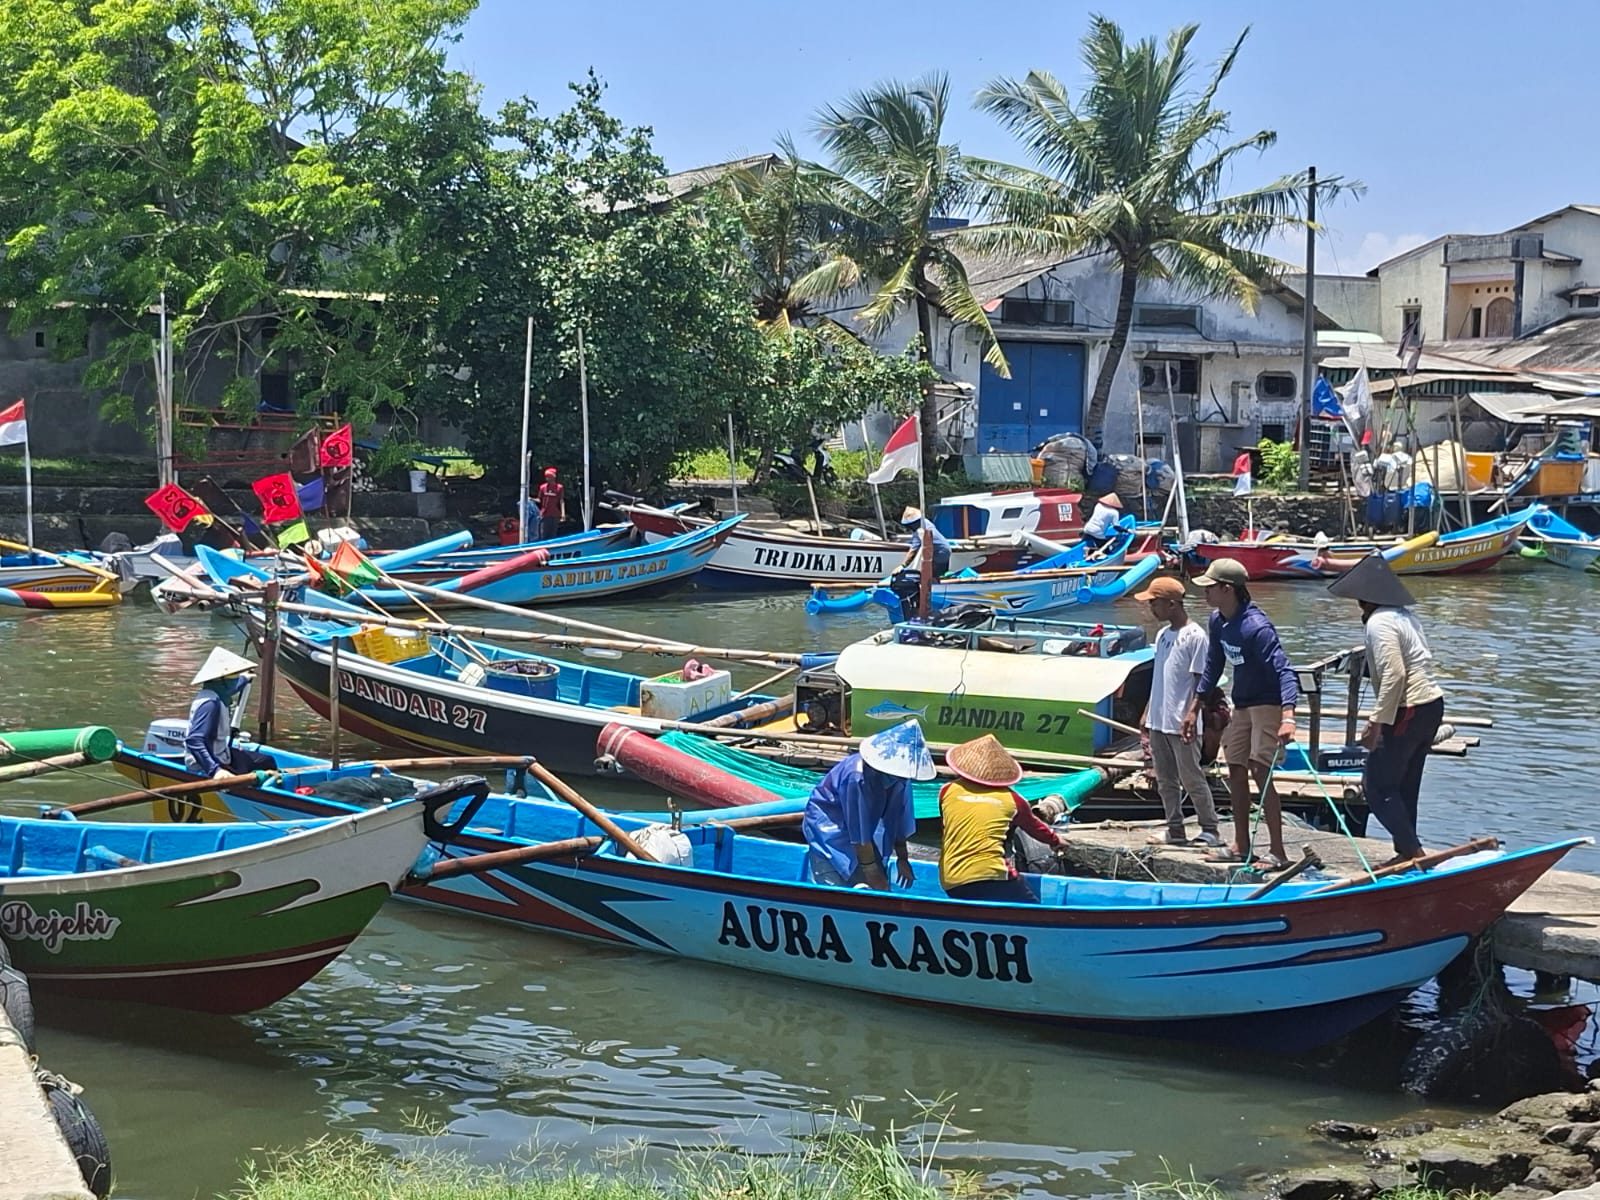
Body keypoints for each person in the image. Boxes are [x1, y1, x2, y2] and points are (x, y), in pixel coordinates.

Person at [1180, 558, 1298, 871]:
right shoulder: (1218, 621)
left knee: (1260, 769)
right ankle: (1241, 845)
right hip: (1242, 703)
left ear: (1227, 589)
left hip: (1268, 704)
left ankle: (1278, 853)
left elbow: (1285, 671)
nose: (1204, 593)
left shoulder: (1255, 627)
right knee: (1234, 767)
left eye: (1210, 587)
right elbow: (1212, 666)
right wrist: (1194, 710)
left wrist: (1288, 715)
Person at [1328, 553, 1445, 866]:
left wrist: (1377, 721)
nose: (1358, 609)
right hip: (1432, 704)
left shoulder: (1379, 623)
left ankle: (1415, 855)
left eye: (1359, 601)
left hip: (1408, 706)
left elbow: (1395, 674)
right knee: (1405, 785)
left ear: (1367, 599)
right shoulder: (1404, 615)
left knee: (1376, 786)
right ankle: (1406, 850)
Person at [1135, 576, 1222, 848]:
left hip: (1182, 721)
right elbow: (1160, 677)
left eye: (1155, 603)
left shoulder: (1196, 637)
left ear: (1172, 604)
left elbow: (1201, 682)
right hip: (1159, 720)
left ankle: (1210, 829)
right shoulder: (1162, 636)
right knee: (1165, 780)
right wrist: (1148, 713)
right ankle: (1175, 829)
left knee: (1191, 777)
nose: (1151, 608)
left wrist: (1192, 713)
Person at [801, 719, 932, 889]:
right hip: (829, 825)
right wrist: (872, 874)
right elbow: (858, 831)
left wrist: (902, 858)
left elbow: (898, 818)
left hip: (865, 831)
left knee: (876, 878)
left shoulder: (901, 779)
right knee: (836, 882)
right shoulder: (856, 777)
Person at [938, 734, 1067, 902]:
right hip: (991, 875)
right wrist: (1056, 840)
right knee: (1033, 909)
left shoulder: (947, 791)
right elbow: (1035, 827)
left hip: (951, 880)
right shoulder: (1013, 800)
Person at [185, 647, 278, 779]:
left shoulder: (218, 691)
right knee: (246, 772)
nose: (236, 680)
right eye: (235, 676)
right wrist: (215, 771)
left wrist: (245, 678)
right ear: (221, 679)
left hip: (222, 754)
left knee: (266, 761)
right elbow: (194, 741)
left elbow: (231, 687)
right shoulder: (210, 704)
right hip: (206, 762)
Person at [894, 506, 951, 578]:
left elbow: (913, 551)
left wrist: (902, 565)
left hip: (939, 552)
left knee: (932, 577)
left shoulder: (920, 529)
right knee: (939, 575)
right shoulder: (927, 523)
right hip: (945, 549)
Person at [534, 467, 565, 541]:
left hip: (555, 515)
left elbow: (561, 500)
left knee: (553, 535)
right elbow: (539, 499)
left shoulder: (559, 487)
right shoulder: (543, 487)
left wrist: (563, 514)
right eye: (546, 477)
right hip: (544, 514)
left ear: (553, 477)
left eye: (549, 477)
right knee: (543, 535)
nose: (547, 479)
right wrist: (531, 499)